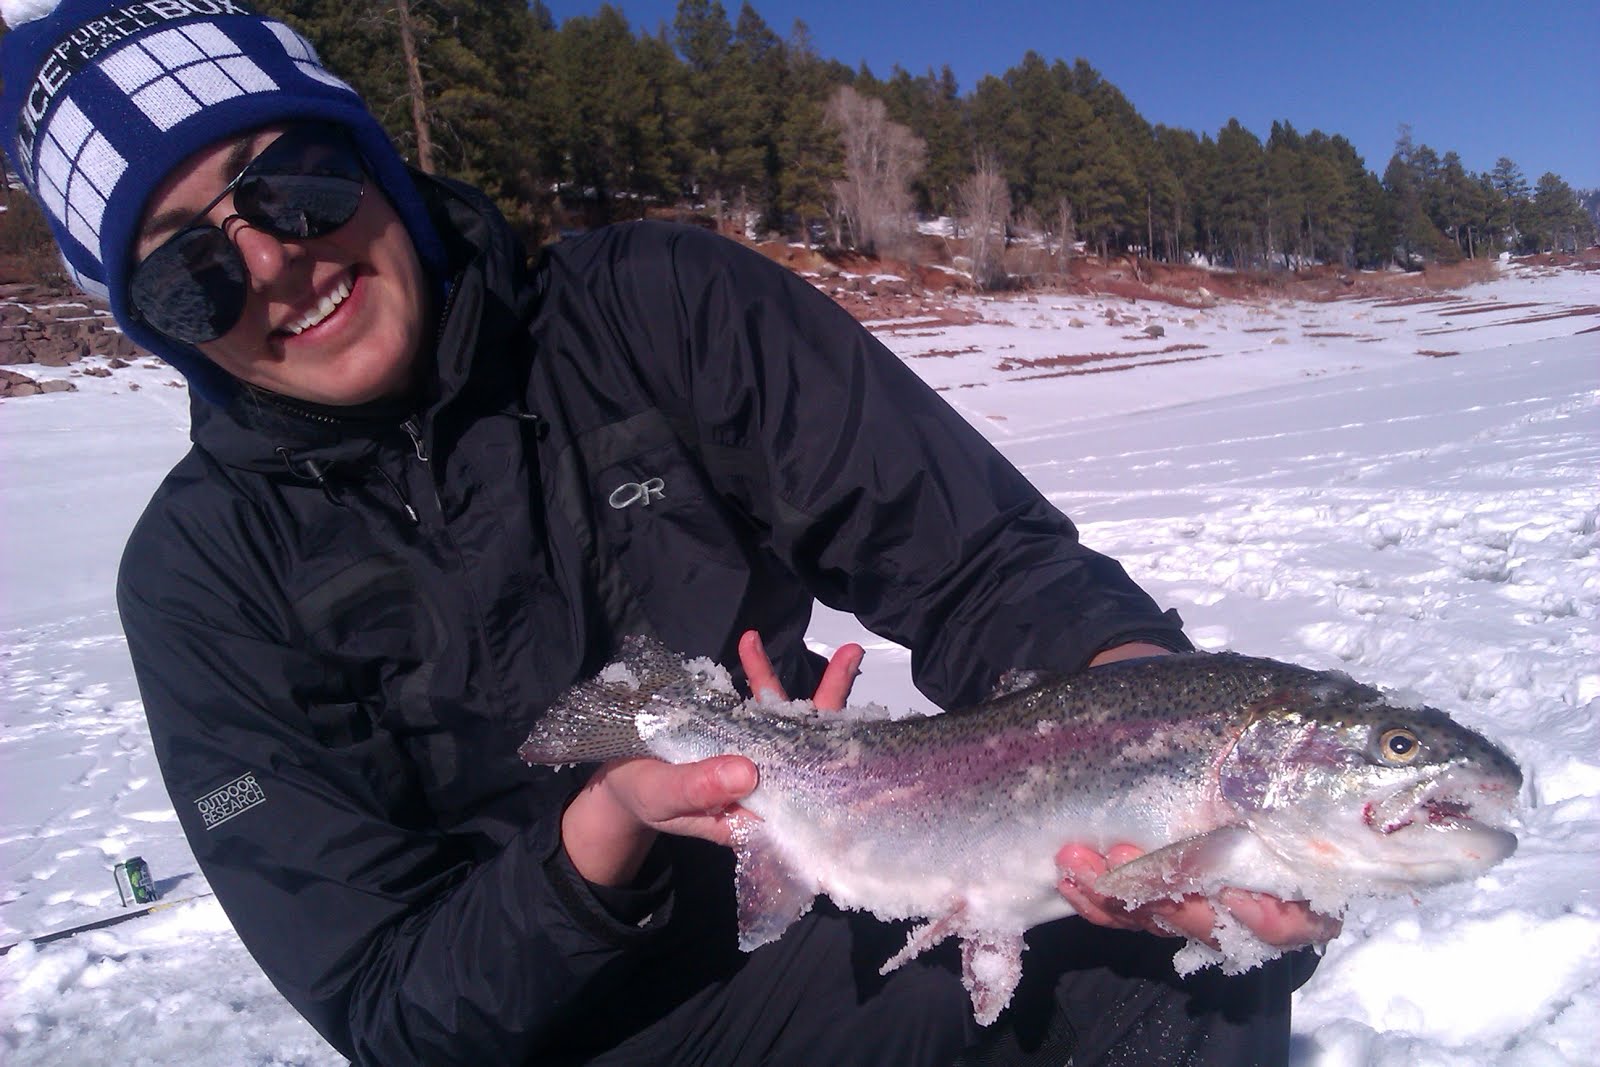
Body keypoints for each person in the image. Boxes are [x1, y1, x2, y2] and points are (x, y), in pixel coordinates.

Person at [1, 1, 1336, 1062]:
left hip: (818, 906)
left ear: (375, 162)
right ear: (160, 327)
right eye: (187, 271)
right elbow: (385, 1002)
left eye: (289, 185)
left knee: (1182, 957)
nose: (273, 261)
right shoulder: (201, 578)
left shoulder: (661, 308)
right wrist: (605, 832)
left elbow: (976, 561)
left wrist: (1149, 718)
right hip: (559, 1032)